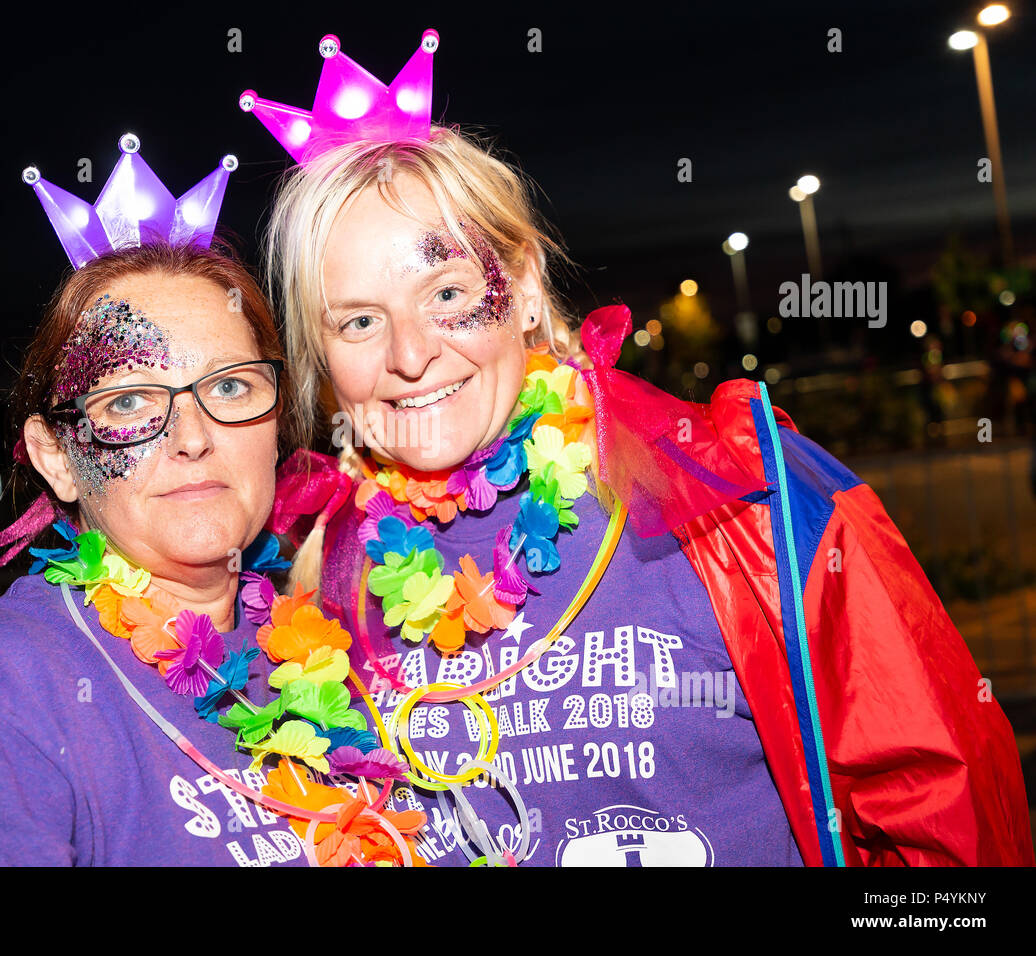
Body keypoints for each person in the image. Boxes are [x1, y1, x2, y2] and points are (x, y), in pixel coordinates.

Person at [251, 30, 1035, 866]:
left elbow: (948, 820)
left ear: (518, 289)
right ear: (320, 352)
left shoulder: (737, 489)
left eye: (447, 293)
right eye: (360, 321)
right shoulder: (315, 572)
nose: (410, 355)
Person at [0, 139, 429, 866]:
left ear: (276, 419)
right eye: (130, 401)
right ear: (56, 457)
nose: (191, 437)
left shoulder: (331, 652)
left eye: (230, 386)